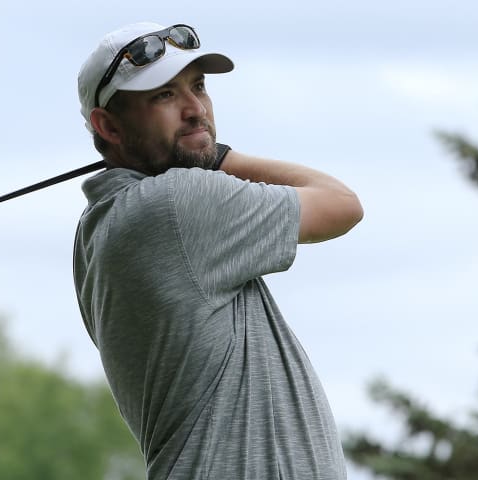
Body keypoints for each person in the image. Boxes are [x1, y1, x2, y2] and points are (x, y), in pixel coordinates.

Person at [73, 21, 363, 480]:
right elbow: (341, 204)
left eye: (198, 87)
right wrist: (220, 155)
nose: (195, 110)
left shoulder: (95, 231)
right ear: (108, 126)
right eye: (164, 96)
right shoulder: (173, 205)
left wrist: (200, 151)